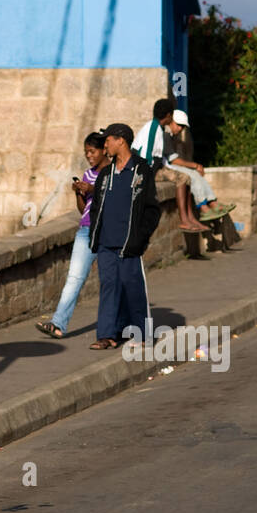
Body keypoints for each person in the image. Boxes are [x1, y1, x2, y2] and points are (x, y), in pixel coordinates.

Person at [88, 123, 162, 350]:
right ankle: (107, 335)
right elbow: (96, 208)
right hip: (106, 243)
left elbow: (152, 209)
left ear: (121, 140)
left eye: (108, 140)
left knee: (133, 287)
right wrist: (95, 235)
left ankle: (141, 335)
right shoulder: (106, 174)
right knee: (108, 286)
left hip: (130, 242)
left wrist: (141, 238)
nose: (105, 145)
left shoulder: (141, 170)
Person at [35, 132, 109, 339]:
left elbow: (111, 193)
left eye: (92, 151)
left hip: (108, 231)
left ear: (104, 150)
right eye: (86, 152)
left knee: (111, 280)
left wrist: (93, 189)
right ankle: (58, 323)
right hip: (86, 229)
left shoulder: (113, 172)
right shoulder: (88, 173)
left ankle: (121, 325)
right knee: (74, 277)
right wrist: (79, 192)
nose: (89, 156)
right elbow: (83, 208)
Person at [132, 97, 201, 232]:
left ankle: (189, 217)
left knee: (186, 177)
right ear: (168, 115)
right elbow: (146, 154)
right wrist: (147, 179)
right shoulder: (153, 129)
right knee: (182, 178)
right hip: (146, 170)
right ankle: (184, 219)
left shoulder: (158, 128)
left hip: (154, 167)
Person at [164, 110, 234, 224]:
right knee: (192, 175)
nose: (180, 129)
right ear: (171, 122)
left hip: (170, 165)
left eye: (182, 126)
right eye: (179, 125)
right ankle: (203, 208)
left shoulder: (171, 136)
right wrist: (195, 165)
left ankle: (212, 202)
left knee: (195, 174)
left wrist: (194, 167)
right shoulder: (166, 134)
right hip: (166, 167)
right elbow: (174, 160)